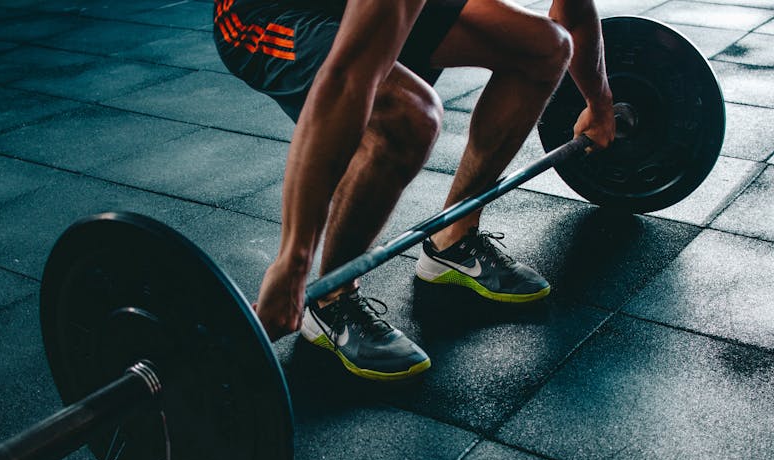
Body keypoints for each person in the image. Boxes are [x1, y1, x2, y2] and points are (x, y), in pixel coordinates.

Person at [214, 0, 615, 380]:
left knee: (545, 48)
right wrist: (293, 262)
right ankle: (331, 300)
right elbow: (348, 79)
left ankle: (452, 239)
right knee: (410, 115)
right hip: (267, 13)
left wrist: (599, 104)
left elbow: (573, 15)